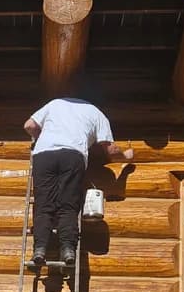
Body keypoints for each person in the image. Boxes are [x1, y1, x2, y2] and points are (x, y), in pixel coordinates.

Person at [23, 97, 134, 271]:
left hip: (44, 155)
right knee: (68, 205)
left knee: (43, 205)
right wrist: (126, 157)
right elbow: (110, 149)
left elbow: (29, 126)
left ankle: (39, 249)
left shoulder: (55, 103)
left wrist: (41, 138)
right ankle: (68, 249)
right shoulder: (96, 113)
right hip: (72, 156)